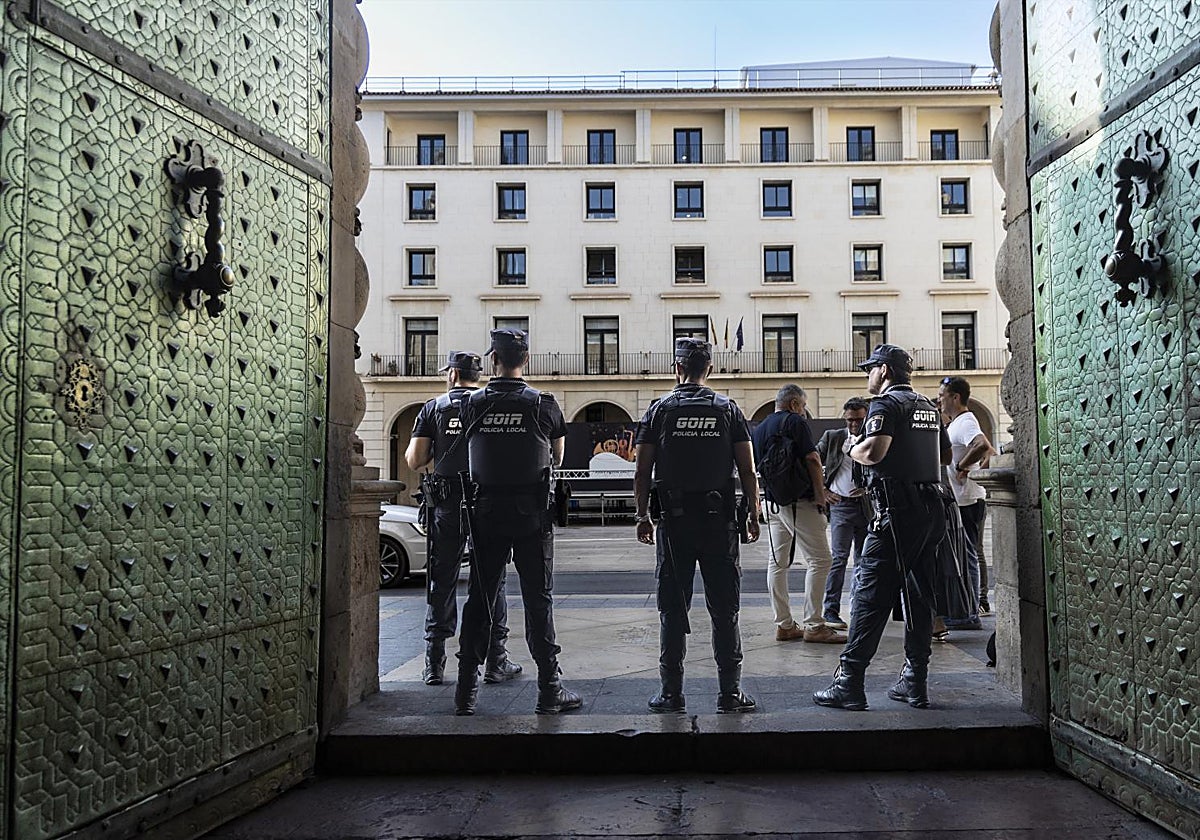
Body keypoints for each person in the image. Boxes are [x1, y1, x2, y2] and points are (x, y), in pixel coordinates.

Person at [813, 344, 951, 711]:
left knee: (870, 596)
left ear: (885, 371)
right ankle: (914, 681)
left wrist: (852, 448)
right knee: (920, 596)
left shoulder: (886, 405)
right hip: (930, 509)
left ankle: (849, 682)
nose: (867, 376)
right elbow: (946, 455)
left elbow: (874, 452)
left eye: (870, 369)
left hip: (895, 513)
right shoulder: (926, 406)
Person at [453, 328, 581, 716]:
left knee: (480, 598)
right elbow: (556, 456)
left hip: (486, 512)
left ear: (494, 360)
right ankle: (549, 689)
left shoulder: (473, 403)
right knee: (538, 599)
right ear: (526, 359)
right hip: (531, 515)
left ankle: (465, 692)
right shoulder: (543, 403)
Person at [634, 338, 761, 714]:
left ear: (677, 368)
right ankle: (729, 693)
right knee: (725, 610)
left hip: (674, 525)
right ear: (710, 370)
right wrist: (754, 512)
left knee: (673, 609)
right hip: (718, 523)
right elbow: (747, 468)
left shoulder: (659, 410)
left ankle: (671, 694)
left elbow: (642, 471)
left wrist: (643, 515)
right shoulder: (727, 409)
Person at [406, 351, 521, 687]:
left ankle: (434, 664)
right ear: (477, 375)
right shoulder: (491, 404)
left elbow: (414, 460)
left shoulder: (434, 407)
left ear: (453, 374)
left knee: (441, 581)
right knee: (491, 582)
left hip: (446, 506)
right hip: (487, 504)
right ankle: (496, 659)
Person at [751, 385, 844, 644]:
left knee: (777, 563)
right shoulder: (795, 422)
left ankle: (784, 625)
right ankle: (814, 625)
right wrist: (820, 492)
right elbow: (813, 459)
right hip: (800, 503)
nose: (804, 412)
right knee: (821, 560)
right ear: (794, 404)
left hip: (773, 503)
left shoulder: (760, 429)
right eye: (803, 406)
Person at [938, 375, 996, 618]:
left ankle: (977, 602)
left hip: (968, 498)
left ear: (955, 397)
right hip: (964, 497)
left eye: (942, 395)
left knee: (972, 550)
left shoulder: (965, 422)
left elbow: (982, 445)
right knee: (970, 550)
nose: (940, 400)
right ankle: (974, 601)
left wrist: (962, 465)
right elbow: (989, 449)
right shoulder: (958, 423)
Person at [816, 397, 871, 631]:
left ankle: (859, 607)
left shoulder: (873, 439)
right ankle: (831, 609)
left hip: (865, 505)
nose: (854, 425)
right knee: (838, 559)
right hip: (841, 505)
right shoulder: (833, 437)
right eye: (850, 420)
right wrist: (824, 491)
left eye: (858, 420)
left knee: (863, 559)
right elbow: (812, 462)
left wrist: (869, 487)